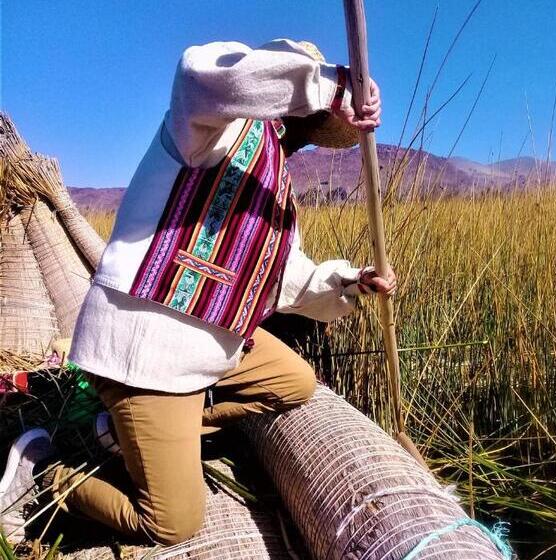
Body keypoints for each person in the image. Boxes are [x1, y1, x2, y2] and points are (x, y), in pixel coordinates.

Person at [0, 38, 394, 546]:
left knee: (293, 381)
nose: (302, 136)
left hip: (210, 347)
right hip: (142, 352)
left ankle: (115, 433)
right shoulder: (208, 129)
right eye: (304, 118)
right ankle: (45, 474)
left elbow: (287, 280)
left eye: (311, 130)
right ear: (281, 94)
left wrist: (352, 283)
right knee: (171, 523)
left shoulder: (275, 193)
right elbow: (198, 75)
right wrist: (328, 85)